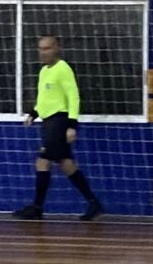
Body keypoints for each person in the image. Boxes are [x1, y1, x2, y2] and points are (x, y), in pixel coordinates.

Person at [14, 33, 103, 221]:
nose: (43, 52)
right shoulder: (44, 71)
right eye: (40, 48)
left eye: (47, 48)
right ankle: (94, 203)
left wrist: (72, 125)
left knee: (43, 161)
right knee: (66, 163)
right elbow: (44, 99)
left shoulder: (63, 69)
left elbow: (73, 97)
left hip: (59, 121)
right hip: (48, 122)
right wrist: (33, 113)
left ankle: (37, 207)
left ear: (57, 49)